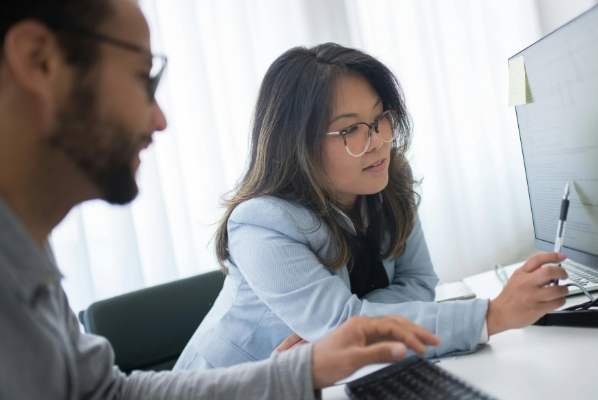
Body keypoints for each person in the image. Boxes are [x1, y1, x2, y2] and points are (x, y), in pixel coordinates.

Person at [0, 1, 443, 399]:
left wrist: (304, 369)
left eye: (379, 120)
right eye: (142, 78)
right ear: (39, 61)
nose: (159, 119)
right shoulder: (265, 220)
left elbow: (104, 392)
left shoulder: (25, 250)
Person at [174, 43, 570, 371]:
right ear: (297, 144)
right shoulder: (261, 224)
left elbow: (418, 283)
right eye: (351, 130)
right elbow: (342, 327)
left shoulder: (387, 177)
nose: (379, 140)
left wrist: (351, 320)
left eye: (380, 118)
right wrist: (493, 315)